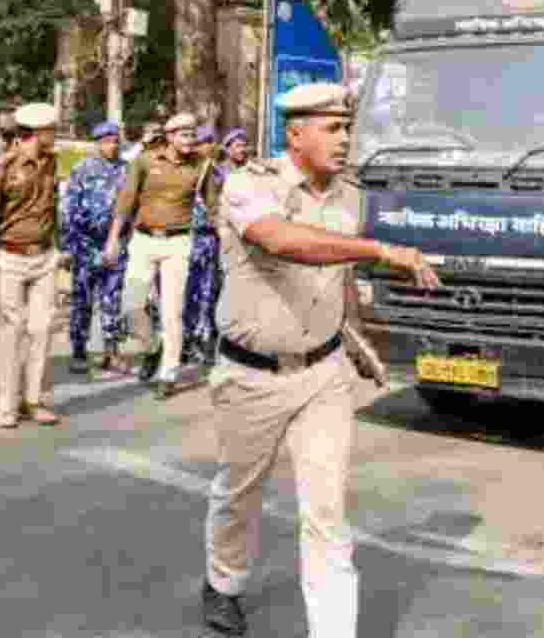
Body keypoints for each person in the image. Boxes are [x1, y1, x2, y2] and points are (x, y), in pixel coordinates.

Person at [199, 82, 440, 637]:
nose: (345, 139)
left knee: (326, 514)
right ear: (295, 133)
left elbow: (339, 277)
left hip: (324, 375)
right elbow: (282, 240)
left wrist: (354, 334)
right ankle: (224, 581)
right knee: (239, 493)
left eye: (348, 128)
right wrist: (381, 250)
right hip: (251, 375)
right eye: (332, 129)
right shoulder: (248, 184)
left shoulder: (351, 194)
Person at [0, 103, 62, 428]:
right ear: (35, 133)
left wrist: (59, 246)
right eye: (50, 130)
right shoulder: (2, 166)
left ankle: (33, 400)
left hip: (45, 255)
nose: (54, 135)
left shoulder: (51, 162)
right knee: (11, 331)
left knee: (41, 330)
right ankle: (6, 405)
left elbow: (53, 208)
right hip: (10, 256)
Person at [104, 112, 203, 398]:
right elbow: (126, 200)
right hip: (144, 239)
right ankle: (153, 347)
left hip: (178, 242)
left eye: (192, 134)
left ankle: (168, 374)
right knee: (131, 305)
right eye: (184, 135)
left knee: (173, 311)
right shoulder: (145, 160)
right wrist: (113, 239)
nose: (190, 140)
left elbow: (214, 204)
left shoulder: (201, 165)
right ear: (170, 137)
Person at [64, 121, 131, 377]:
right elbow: (69, 208)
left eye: (115, 140)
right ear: (98, 142)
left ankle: (112, 351)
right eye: (107, 141)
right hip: (85, 245)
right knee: (82, 299)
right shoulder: (83, 169)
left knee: (113, 299)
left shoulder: (127, 170)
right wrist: (70, 246)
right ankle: (79, 351)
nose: (112, 145)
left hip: (116, 245)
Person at [183, 125, 223, 367]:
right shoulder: (188, 170)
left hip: (211, 239)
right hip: (189, 237)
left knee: (209, 292)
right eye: (202, 142)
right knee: (187, 292)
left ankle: (204, 339)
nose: (207, 146)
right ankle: (185, 341)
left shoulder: (217, 172)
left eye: (210, 141)